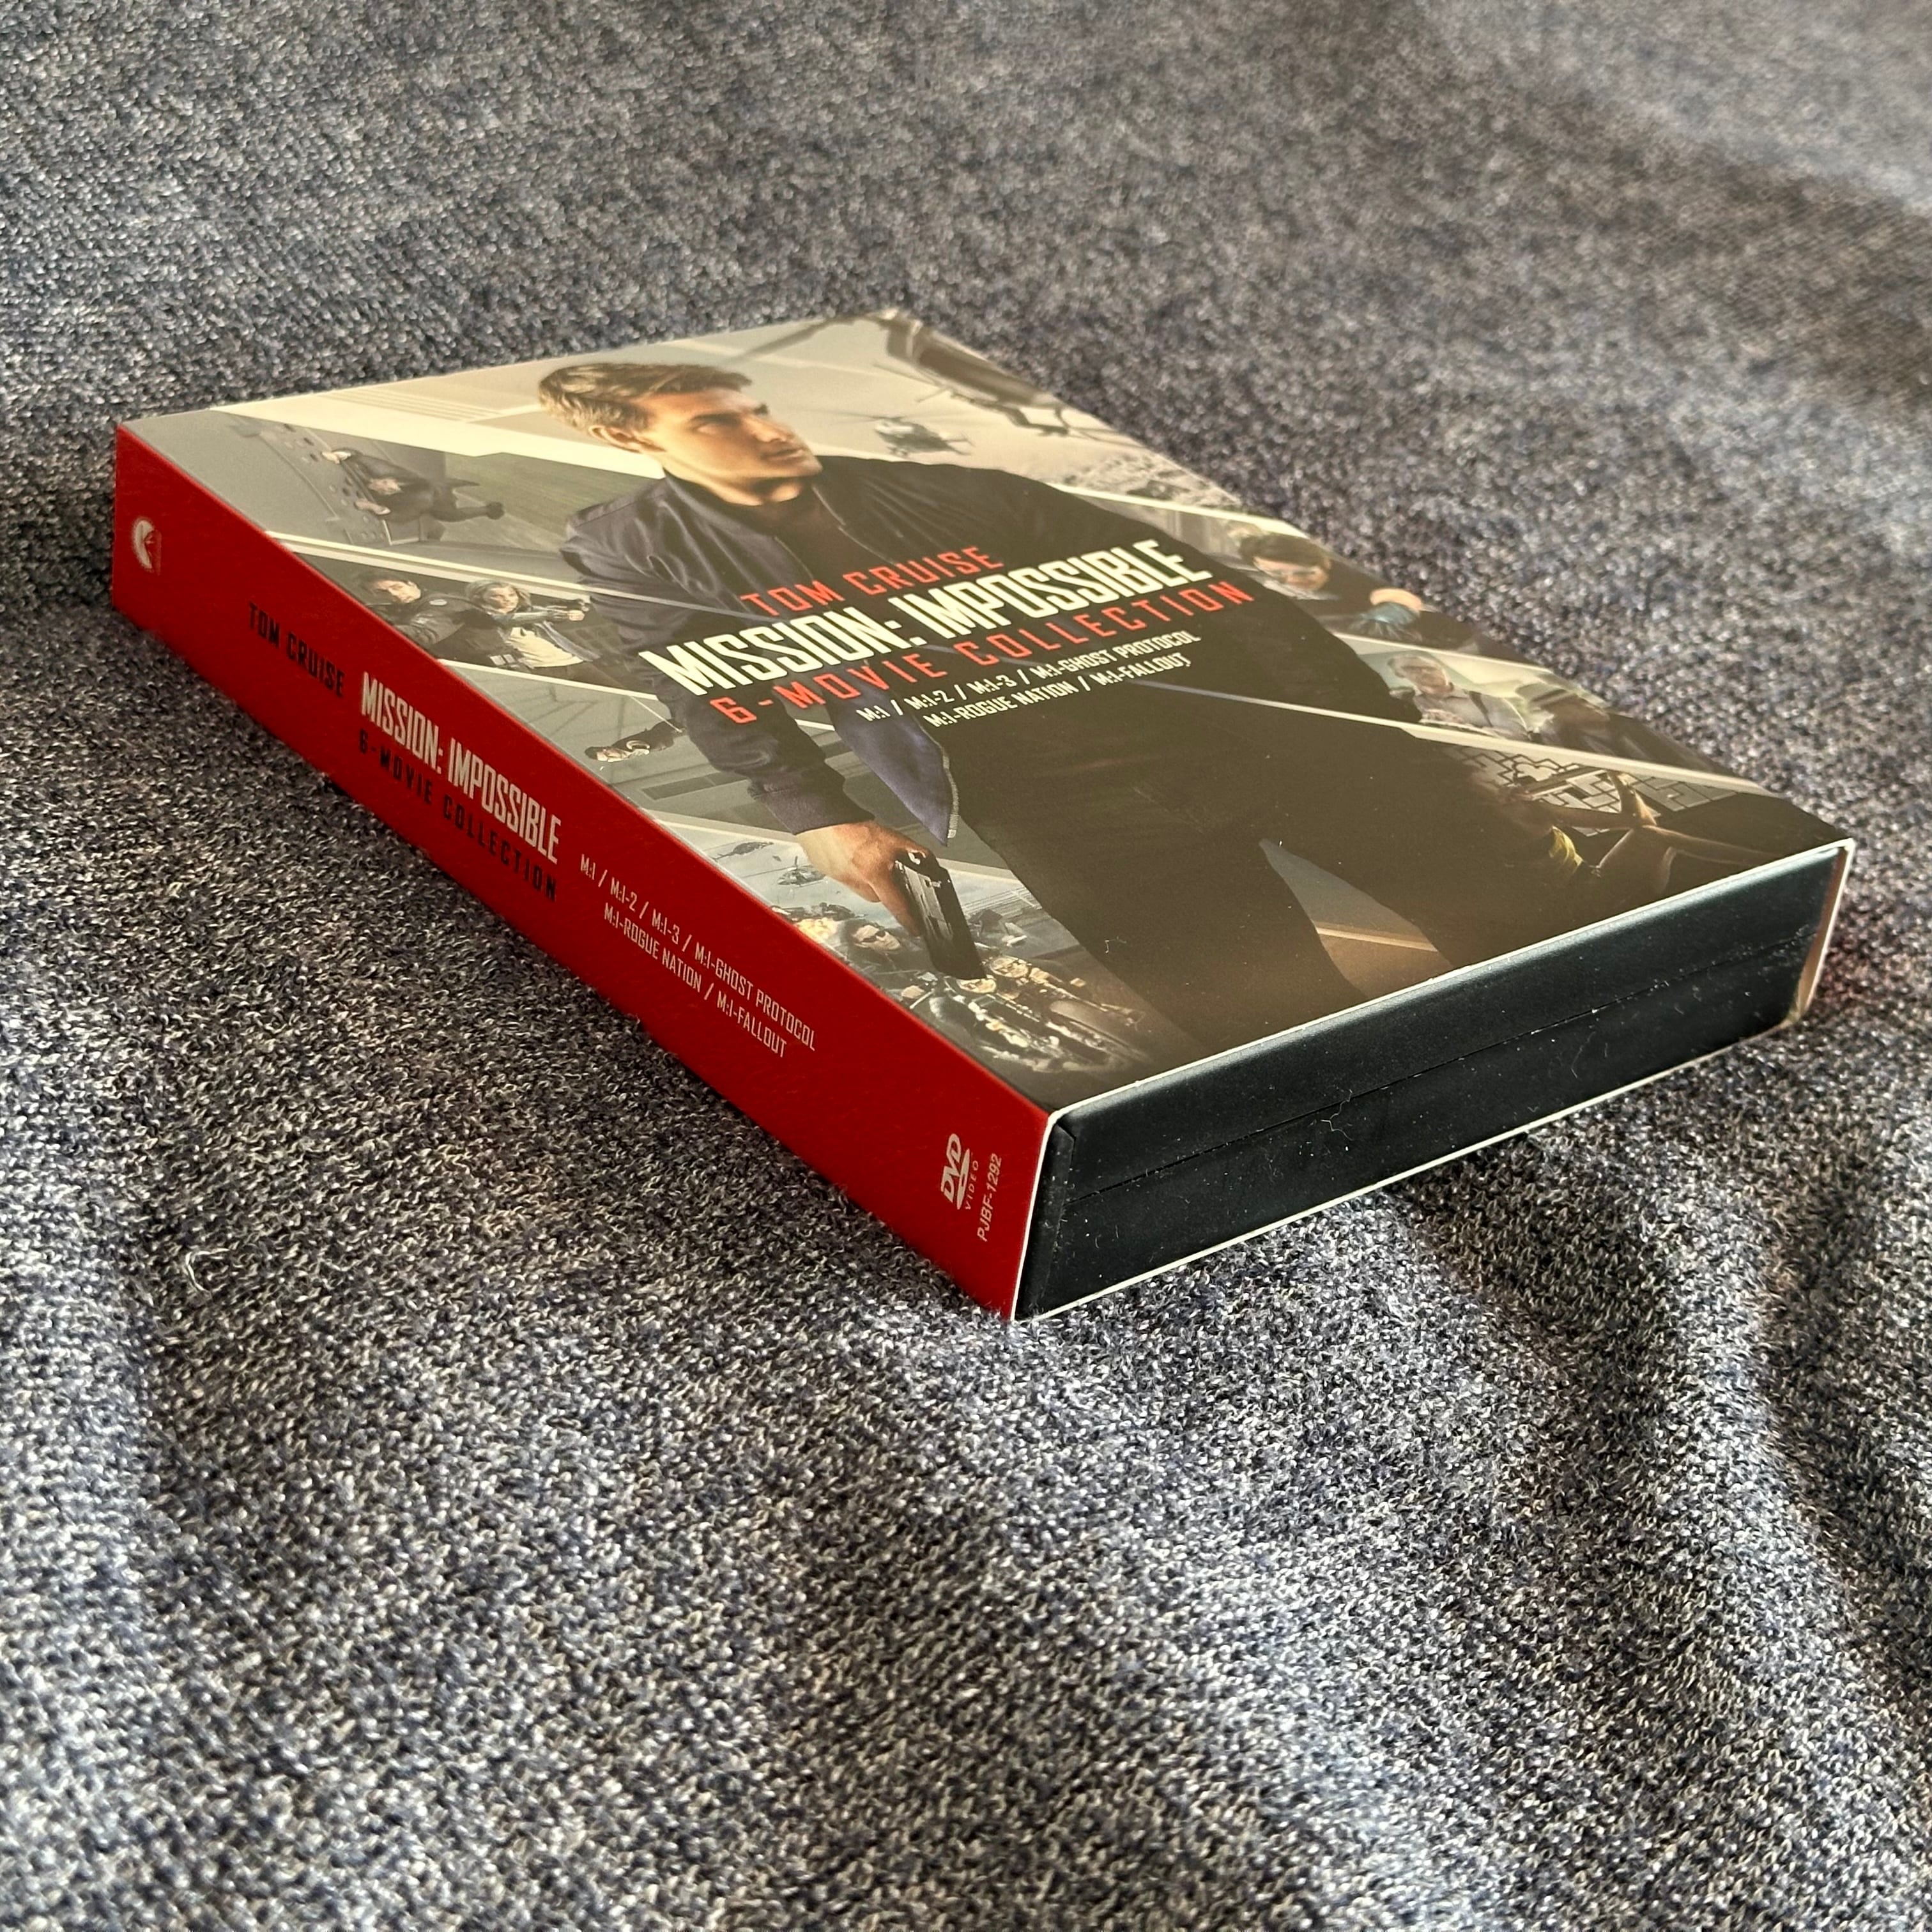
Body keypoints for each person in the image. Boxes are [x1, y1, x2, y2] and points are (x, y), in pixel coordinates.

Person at [532, 362, 1763, 1051]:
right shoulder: (633, 547)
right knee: (1262, 1020)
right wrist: (815, 811)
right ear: (640, 442)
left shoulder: (956, 493)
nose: (764, 428)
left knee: (1532, 918)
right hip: (1057, 810)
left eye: (757, 404)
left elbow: (1219, 593)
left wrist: (1351, 716)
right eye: (718, 422)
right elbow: (705, 685)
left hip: (1255, 736)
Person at [1237, 530, 1488, 653]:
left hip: (1445, 640)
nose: (1291, 581)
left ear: (1325, 563)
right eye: (1277, 574)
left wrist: (1378, 621)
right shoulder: (1267, 582)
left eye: (1303, 574)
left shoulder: (1355, 578)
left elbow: (1402, 599)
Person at [321, 448, 504, 533]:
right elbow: (362, 458)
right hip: (434, 486)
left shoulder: (417, 503)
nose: (381, 486)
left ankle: (487, 510)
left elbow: (398, 516)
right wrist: (340, 455)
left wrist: (372, 506)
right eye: (383, 483)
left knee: (453, 515)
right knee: (445, 483)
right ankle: (469, 485)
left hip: (435, 501)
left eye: (385, 487)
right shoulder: (390, 474)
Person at [1388, 652, 1536, 740]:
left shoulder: (1489, 701)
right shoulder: (1400, 699)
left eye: (1430, 668)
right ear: (1400, 674)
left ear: (1442, 669)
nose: (1424, 672)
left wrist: (1466, 728)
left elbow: (1518, 736)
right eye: (1412, 669)